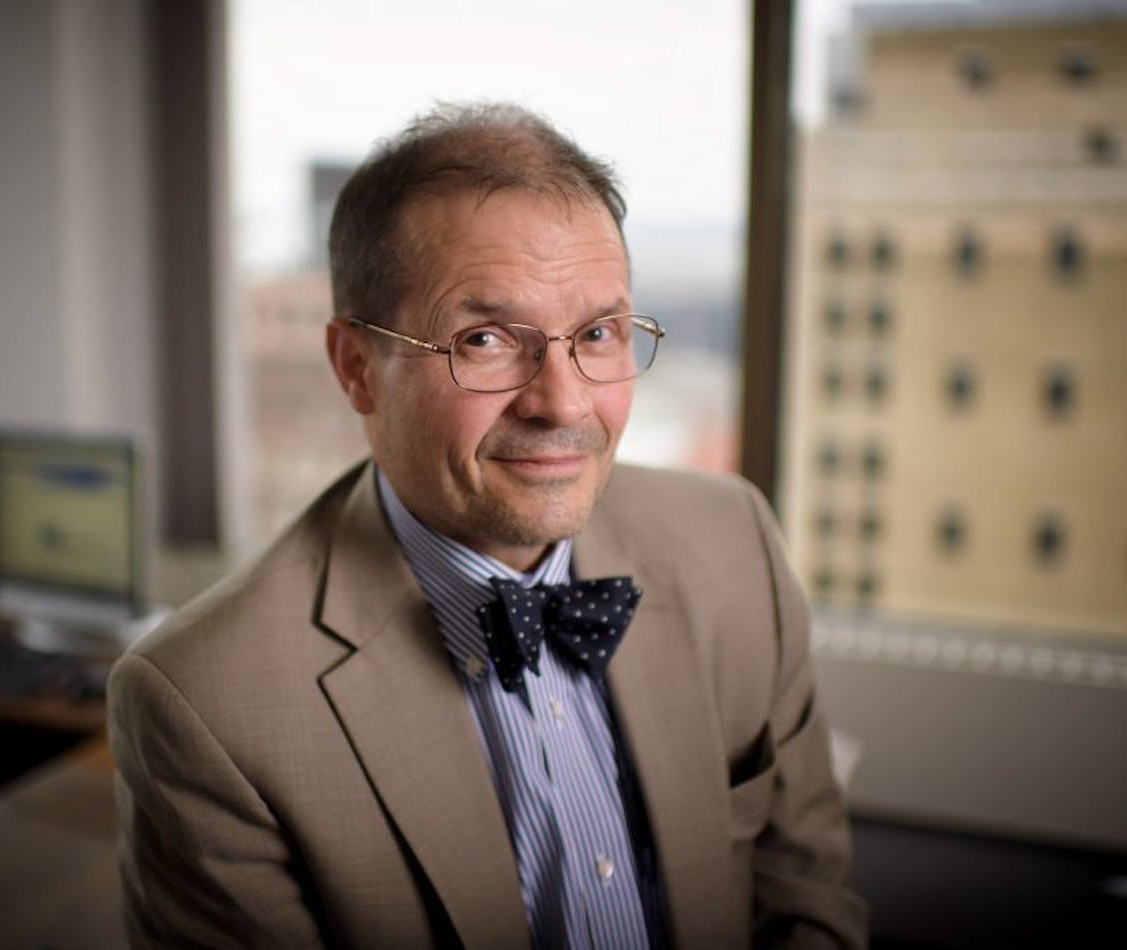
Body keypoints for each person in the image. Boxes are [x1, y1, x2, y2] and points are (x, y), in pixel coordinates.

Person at [108, 102, 868, 949]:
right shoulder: (206, 706)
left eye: (601, 333)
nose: (564, 403)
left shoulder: (736, 543)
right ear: (358, 368)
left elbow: (807, 896)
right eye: (485, 339)